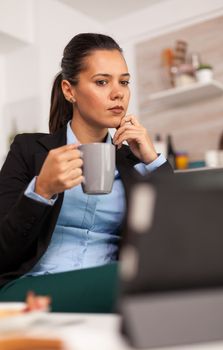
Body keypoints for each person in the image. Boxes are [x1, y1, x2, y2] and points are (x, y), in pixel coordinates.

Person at [0, 33, 171, 312]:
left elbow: (175, 233)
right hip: (33, 288)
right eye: (102, 82)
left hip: (105, 284)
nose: (118, 93)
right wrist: (41, 191)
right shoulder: (28, 150)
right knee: (139, 275)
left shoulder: (131, 161)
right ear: (70, 90)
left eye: (124, 82)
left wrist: (152, 160)